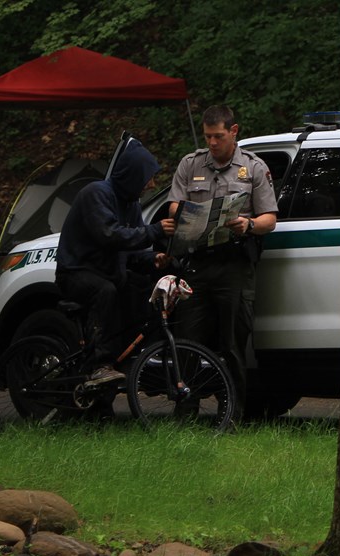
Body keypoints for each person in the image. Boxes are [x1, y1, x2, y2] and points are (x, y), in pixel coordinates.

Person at [168, 105, 278, 400]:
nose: (213, 143)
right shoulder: (191, 164)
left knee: (233, 342)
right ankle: (186, 410)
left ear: (234, 131)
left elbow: (270, 219)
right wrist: (195, 214)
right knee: (189, 338)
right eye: (208, 137)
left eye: (218, 136)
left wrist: (249, 223)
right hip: (198, 263)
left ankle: (232, 412)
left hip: (234, 264)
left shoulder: (253, 167)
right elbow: (174, 206)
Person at [56, 137, 176, 383]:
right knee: (106, 292)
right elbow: (109, 235)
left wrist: (153, 259)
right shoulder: (96, 193)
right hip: (77, 272)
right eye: (148, 178)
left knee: (140, 289)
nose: (152, 184)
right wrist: (154, 231)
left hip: (109, 271)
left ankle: (125, 360)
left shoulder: (131, 204)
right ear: (133, 175)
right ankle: (99, 364)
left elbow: (129, 251)